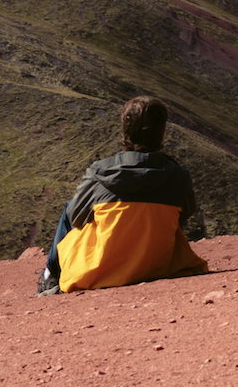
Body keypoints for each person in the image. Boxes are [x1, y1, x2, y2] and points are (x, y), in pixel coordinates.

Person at [37, 96, 208, 294]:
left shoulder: (99, 172)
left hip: (102, 268)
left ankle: (50, 275)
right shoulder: (179, 175)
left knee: (70, 206)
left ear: (125, 130)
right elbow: (184, 214)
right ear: (162, 131)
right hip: (157, 263)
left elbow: (76, 218)